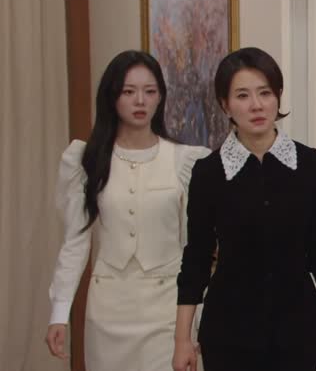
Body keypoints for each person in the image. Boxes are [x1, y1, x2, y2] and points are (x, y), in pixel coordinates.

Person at [172, 47, 316, 371]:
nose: (256, 105)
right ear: (225, 104)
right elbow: (197, 257)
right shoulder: (209, 173)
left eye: (265, 93)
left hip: (297, 329)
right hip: (229, 332)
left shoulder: (309, 164)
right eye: (242, 95)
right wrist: (182, 338)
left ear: (278, 96)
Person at [45, 50, 210, 370]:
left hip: (167, 308)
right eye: (128, 91)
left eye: (150, 91)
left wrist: (198, 317)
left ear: (160, 96)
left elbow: (195, 247)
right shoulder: (87, 161)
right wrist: (59, 313)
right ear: (112, 97)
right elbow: (75, 241)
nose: (140, 101)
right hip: (108, 309)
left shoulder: (184, 160)